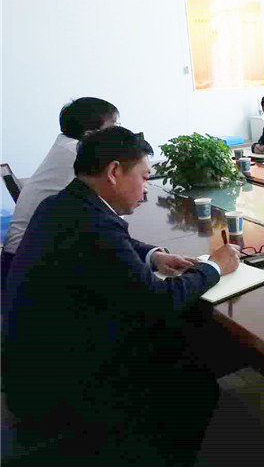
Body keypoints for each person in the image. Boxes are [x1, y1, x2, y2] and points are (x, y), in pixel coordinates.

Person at [3, 126, 241, 466]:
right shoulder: (94, 226)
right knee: (193, 378)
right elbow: (159, 301)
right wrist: (214, 267)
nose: (146, 188)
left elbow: (118, 242)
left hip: (34, 359)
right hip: (61, 380)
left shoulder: (65, 204)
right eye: (144, 177)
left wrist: (153, 255)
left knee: (182, 333)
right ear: (114, 172)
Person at [1, 97, 119, 285]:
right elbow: (115, 198)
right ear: (91, 134)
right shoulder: (77, 154)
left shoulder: (68, 146)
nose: (119, 133)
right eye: (114, 127)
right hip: (28, 264)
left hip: (24, 254)